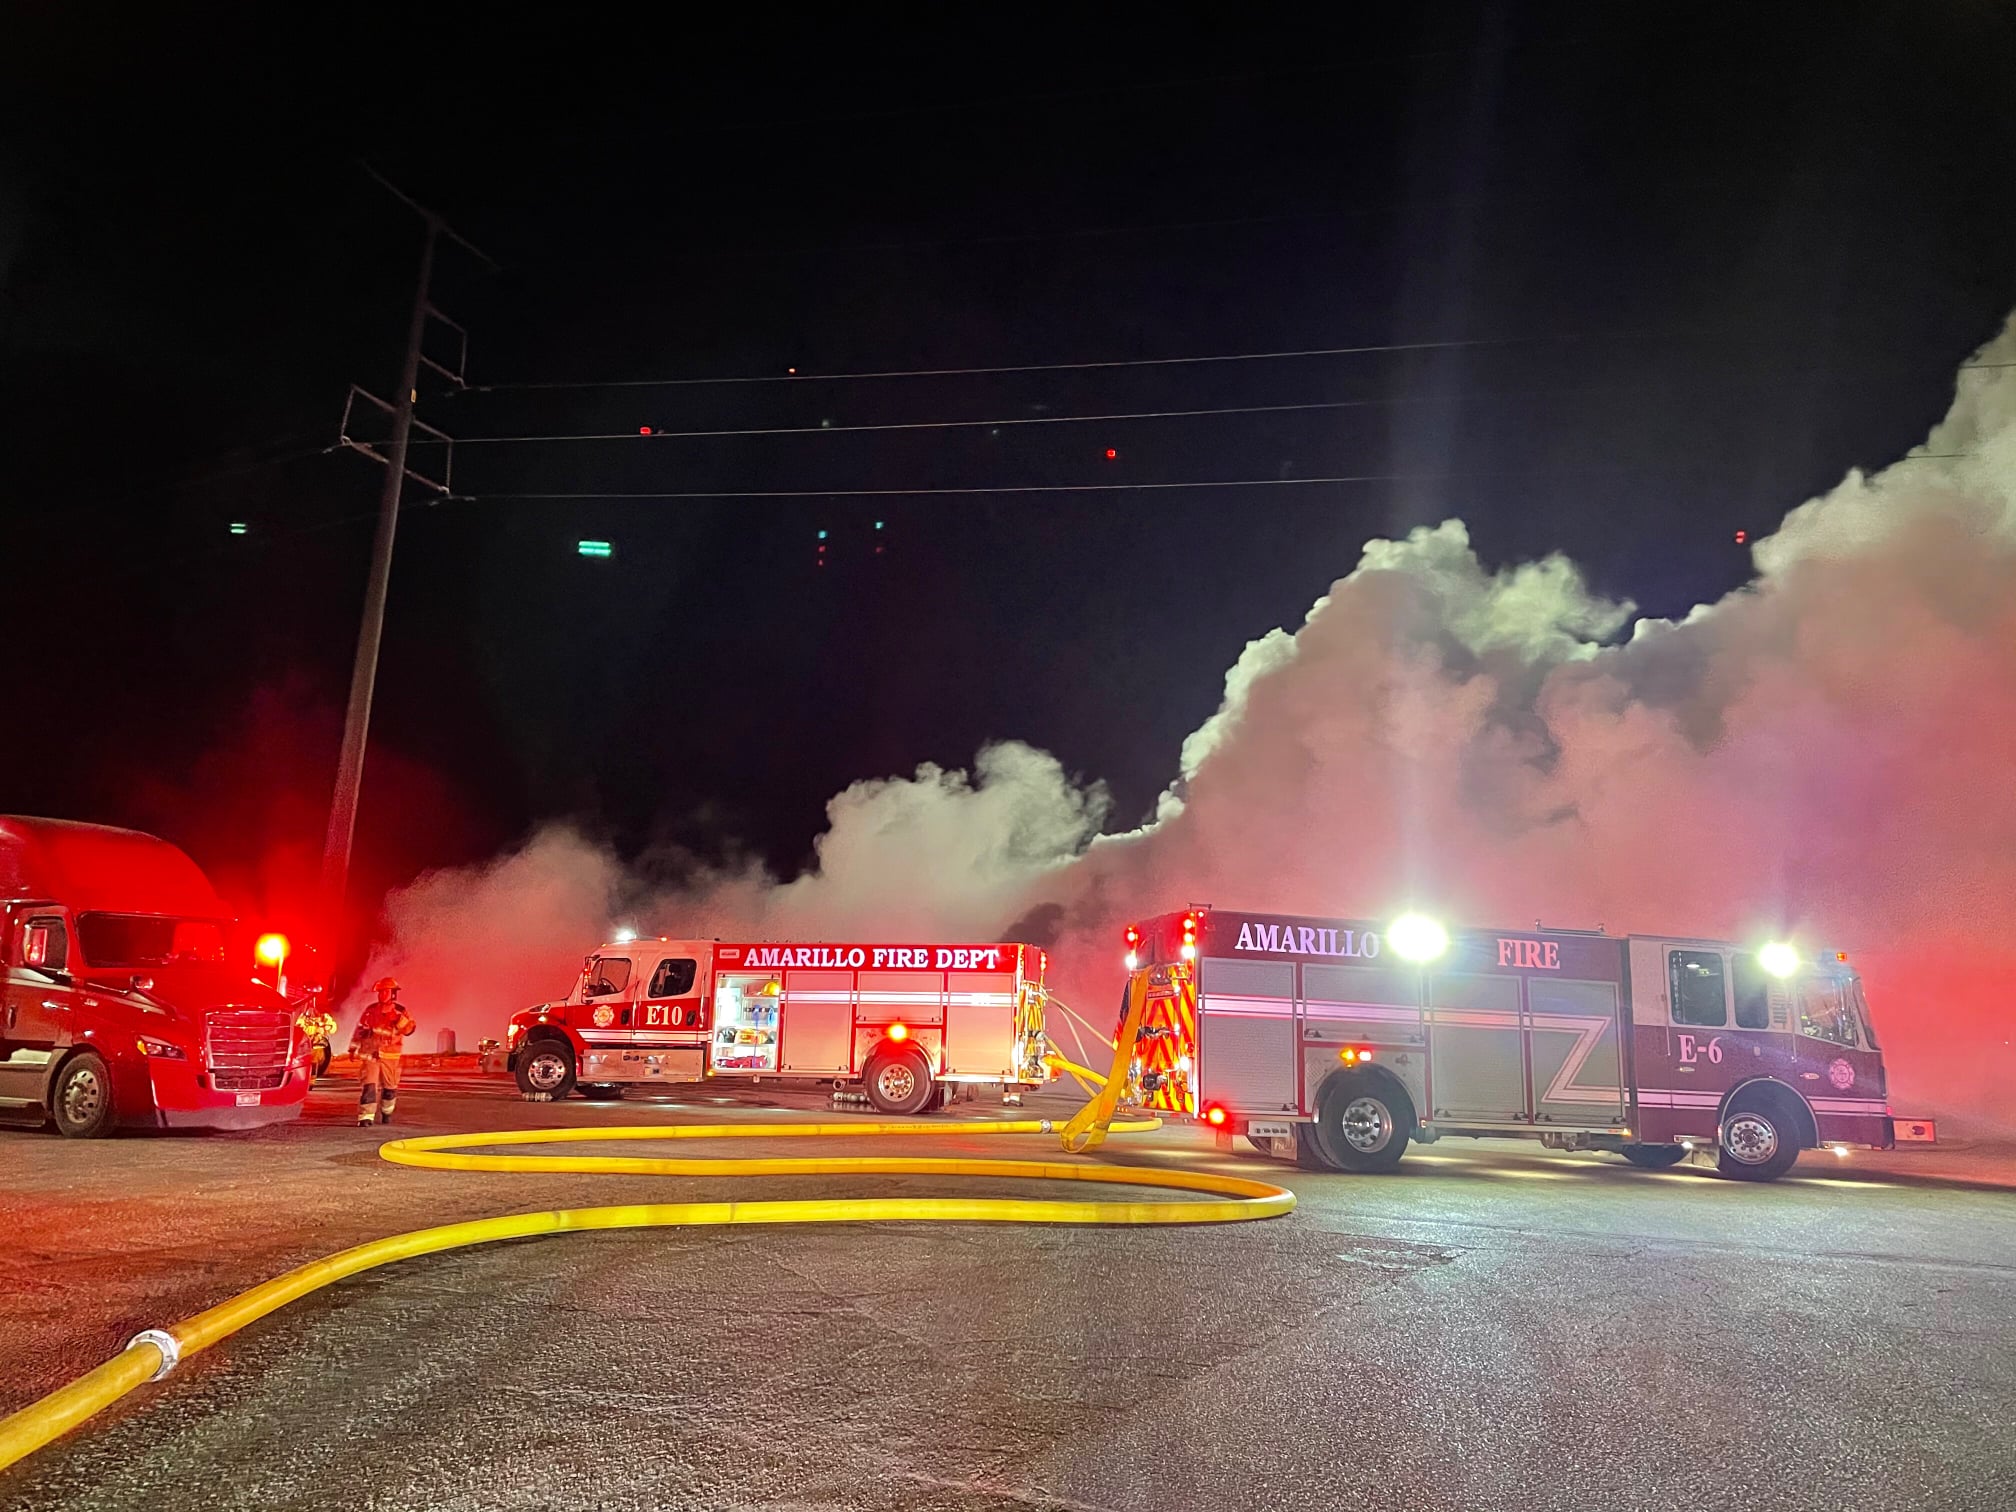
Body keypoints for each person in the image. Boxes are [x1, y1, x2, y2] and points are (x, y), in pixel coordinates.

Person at [350, 977, 417, 1127]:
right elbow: (360, 1029)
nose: (382, 995)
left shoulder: (400, 1011)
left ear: (393, 993)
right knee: (369, 1085)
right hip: (371, 1054)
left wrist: (398, 1019)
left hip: (390, 1056)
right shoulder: (370, 1010)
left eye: (385, 992)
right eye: (380, 992)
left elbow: (410, 1030)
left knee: (390, 1087)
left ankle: (387, 1112)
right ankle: (366, 1117)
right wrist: (353, 1048)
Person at [295, 1001, 338, 1079]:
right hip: (306, 1046)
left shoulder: (324, 1017)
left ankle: (312, 1077)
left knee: (315, 1060)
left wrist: (325, 1025)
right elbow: (297, 1027)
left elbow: (333, 1028)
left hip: (318, 1046)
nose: (312, 1011)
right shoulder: (303, 1018)